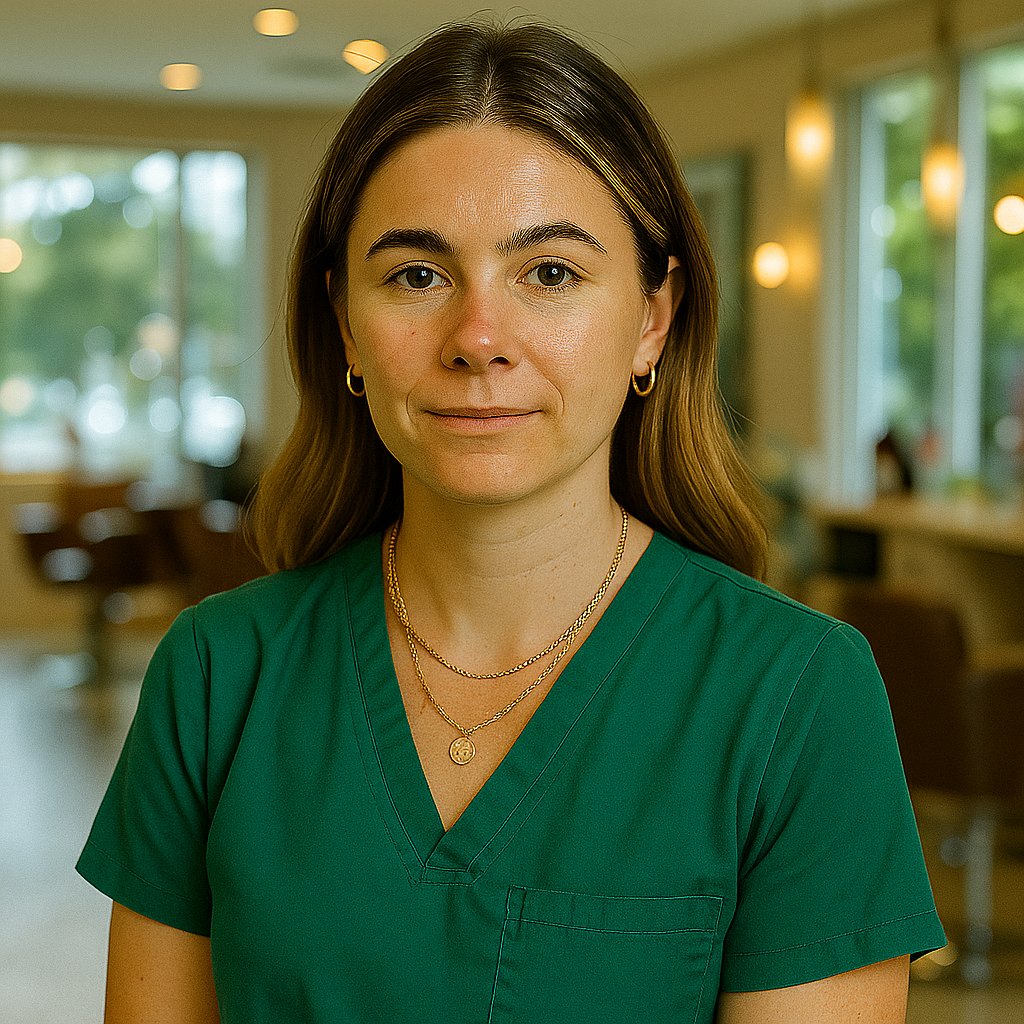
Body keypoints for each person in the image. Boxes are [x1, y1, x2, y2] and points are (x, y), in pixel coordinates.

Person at [78, 21, 945, 1022]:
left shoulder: (795, 696)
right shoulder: (216, 676)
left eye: (550, 274)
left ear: (653, 318)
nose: (478, 338)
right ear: (344, 326)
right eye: (415, 274)